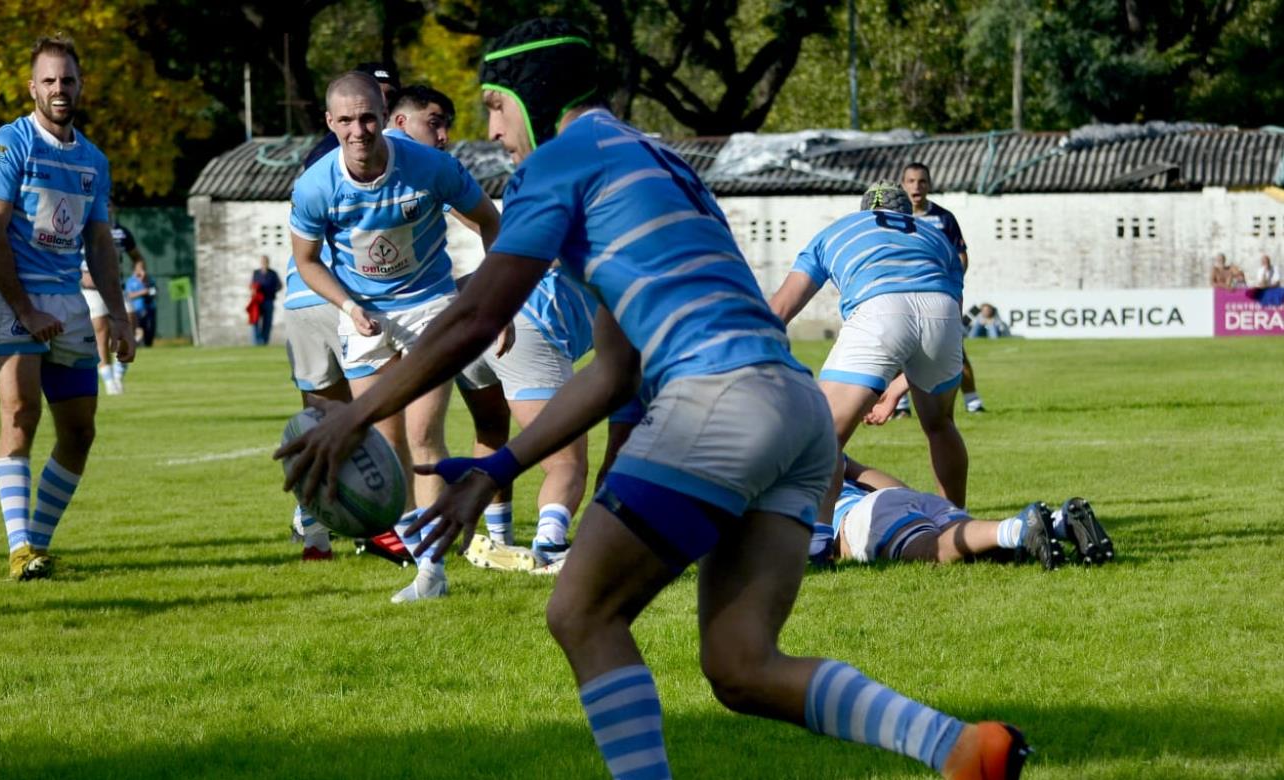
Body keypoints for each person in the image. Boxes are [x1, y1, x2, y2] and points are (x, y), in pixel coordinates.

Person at [277, 19, 1027, 779]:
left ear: (531, 95)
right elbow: (613, 373)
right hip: (798, 415)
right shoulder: (661, 160)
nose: (492, 128)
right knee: (741, 667)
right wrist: (497, 469)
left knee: (581, 613)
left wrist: (355, 413)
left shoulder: (558, 165)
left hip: (717, 400)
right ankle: (961, 748)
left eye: (496, 105)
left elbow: (473, 316)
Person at [283, 70, 503, 603]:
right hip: (363, 318)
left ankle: (431, 572)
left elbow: (492, 222)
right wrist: (347, 304)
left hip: (429, 307)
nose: (358, 130)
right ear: (330, 123)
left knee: (425, 431)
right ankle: (413, 547)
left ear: (383, 119)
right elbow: (306, 261)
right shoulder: (315, 186)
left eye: (367, 118)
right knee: (386, 441)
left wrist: (500, 302)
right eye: (346, 121)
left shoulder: (430, 166)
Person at [390, 83, 589, 566]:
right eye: (434, 122)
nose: (446, 135)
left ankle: (494, 539)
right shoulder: (599, 209)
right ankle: (549, 547)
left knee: (492, 430)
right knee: (564, 459)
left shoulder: (425, 175)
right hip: (516, 329)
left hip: (473, 326)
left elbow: (490, 225)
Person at [0, 35, 134, 581]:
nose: (59, 89)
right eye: (49, 80)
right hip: (10, 292)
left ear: (80, 86)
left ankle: (37, 544)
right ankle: (19, 549)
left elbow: (99, 243)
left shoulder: (93, 160)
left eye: (67, 80)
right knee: (19, 413)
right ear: (32, 87)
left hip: (68, 302)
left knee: (80, 432)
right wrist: (24, 308)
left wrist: (118, 313)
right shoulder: (5, 147)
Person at [771, 182, 970, 522]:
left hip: (879, 309)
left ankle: (818, 537)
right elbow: (943, 316)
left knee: (825, 436)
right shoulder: (934, 236)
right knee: (940, 424)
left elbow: (782, 306)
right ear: (905, 213)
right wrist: (895, 389)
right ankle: (954, 518)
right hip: (941, 311)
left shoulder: (837, 230)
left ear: (866, 212)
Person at [810, 454, 1113, 569]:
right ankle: (1061, 524)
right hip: (898, 499)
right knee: (975, 550)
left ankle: (1022, 528)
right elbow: (859, 470)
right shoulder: (817, 443)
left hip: (862, 516)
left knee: (932, 551)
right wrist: (908, 498)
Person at [898, 163, 985, 414]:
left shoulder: (944, 217)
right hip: (903, 295)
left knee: (955, 349)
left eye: (922, 181)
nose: (917, 186)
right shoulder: (896, 218)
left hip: (939, 297)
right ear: (903, 185)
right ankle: (901, 407)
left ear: (929, 185)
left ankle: (974, 403)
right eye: (911, 181)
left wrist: (950, 286)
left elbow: (961, 257)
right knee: (899, 348)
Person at [81, 208, 145, 393]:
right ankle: (109, 380)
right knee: (101, 330)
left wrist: (140, 269)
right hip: (92, 290)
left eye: (108, 204)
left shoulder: (121, 232)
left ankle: (119, 371)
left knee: (130, 322)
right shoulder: (81, 229)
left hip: (116, 288)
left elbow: (137, 256)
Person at [250, 254, 281, 345]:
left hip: (269, 300)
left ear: (268, 262)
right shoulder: (256, 273)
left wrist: (272, 291)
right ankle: (257, 341)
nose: (264, 263)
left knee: (267, 322)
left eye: (265, 261)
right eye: (262, 261)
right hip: (258, 301)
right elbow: (252, 285)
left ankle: (265, 341)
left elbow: (279, 285)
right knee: (255, 321)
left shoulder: (273, 273)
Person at [125, 258, 156, 346]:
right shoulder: (130, 281)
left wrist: (145, 282)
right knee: (137, 329)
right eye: (140, 267)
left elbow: (154, 292)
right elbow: (128, 295)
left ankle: (149, 346)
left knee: (149, 330)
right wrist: (142, 292)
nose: (142, 269)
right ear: (135, 268)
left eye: (143, 267)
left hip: (150, 308)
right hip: (136, 309)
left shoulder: (149, 279)